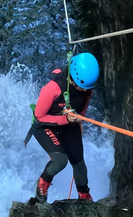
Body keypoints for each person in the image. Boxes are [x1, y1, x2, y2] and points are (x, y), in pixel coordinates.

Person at [30, 52, 100, 203]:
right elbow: (39, 116)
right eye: (82, 87)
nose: (85, 90)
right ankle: (42, 183)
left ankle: (84, 194)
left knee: (79, 162)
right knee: (60, 161)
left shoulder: (86, 89)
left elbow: (83, 107)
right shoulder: (52, 89)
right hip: (44, 125)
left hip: (69, 123)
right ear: (74, 79)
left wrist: (77, 118)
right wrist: (66, 118)